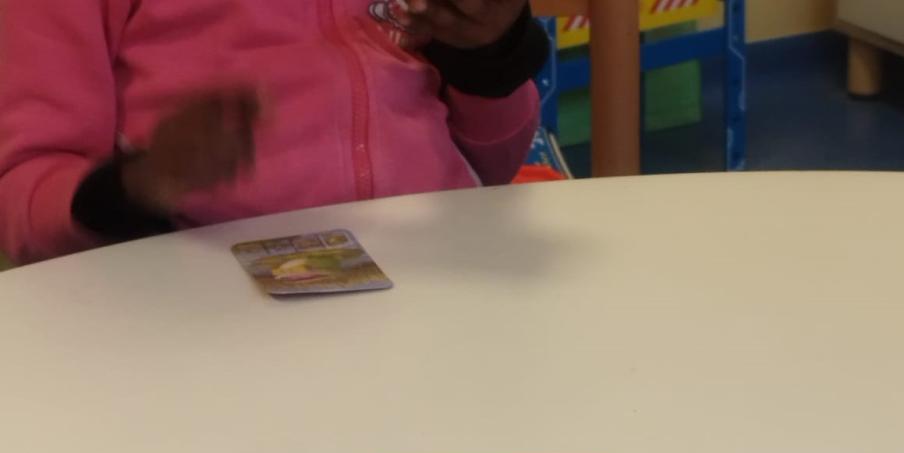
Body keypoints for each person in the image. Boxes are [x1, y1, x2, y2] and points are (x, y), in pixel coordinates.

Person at [0, 0, 549, 265]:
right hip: (195, 317)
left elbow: (488, 167)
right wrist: (142, 185)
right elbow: (22, 195)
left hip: (436, 278)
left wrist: (489, 52)